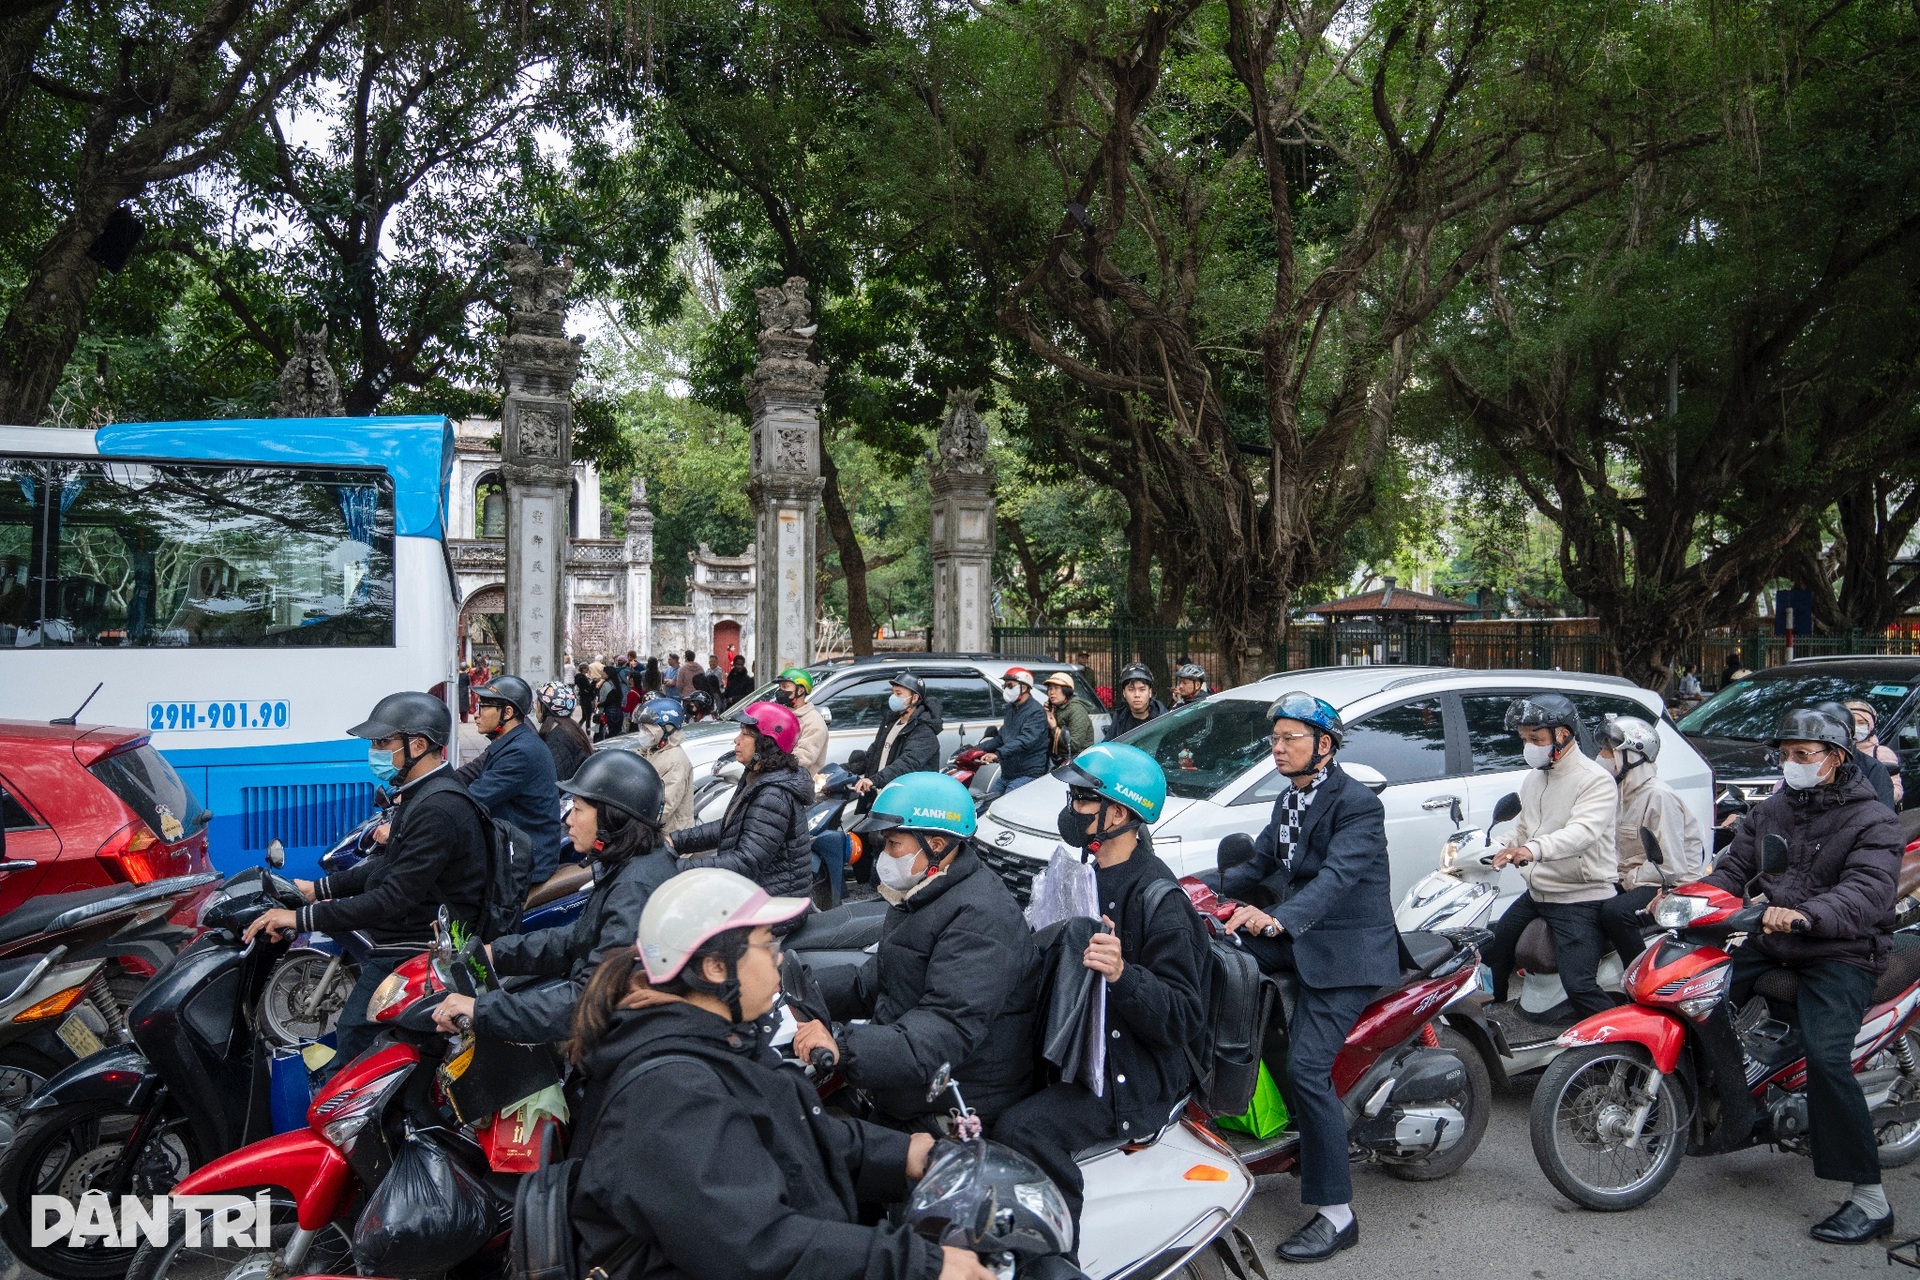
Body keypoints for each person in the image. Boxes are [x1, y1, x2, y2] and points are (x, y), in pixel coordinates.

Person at [567, 869, 994, 1280]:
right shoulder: (672, 1092)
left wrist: (905, 1154)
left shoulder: (726, 1041)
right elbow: (755, 1247)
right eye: (767, 946)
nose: (778, 963)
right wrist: (918, 1264)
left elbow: (794, 1132)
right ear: (716, 968)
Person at [993, 743, 1207, 1272]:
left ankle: (1057, 1262)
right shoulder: (1081, 870)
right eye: (1071, 795)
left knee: (1023, 1130)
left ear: (1121, 812)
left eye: (1083, 799)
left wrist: (1123, 974)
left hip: (1133, 1075)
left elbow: (1183, 1016)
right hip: (1082, 1052)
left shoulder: (1160, 900)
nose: (1072, 808)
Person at [1698, 706, 1903, 1244]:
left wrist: (1809, 914)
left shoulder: (1873, 819)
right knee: (1696, 990)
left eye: (1802, 755)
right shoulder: (1773, 809)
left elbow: (1866, 891)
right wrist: (1691, 898)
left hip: (1842, 949)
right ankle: (1721, 1103)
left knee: (1826, 1057)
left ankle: (1870, 1197)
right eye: (1785, 755)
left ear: (1836, 757)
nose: (1791, 764)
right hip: (1776, 938)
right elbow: (1734, 868)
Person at [1210, 692, 1402, 1264]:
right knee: (1213, 962)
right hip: (1300, 941)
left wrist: (1278, 917)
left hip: (1346, 953)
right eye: (1275, 739)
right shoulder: (1291, 799)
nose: (1278, 747)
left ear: (1325, 745)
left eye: (1290, 737)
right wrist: (1190, 888)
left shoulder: (1358, 806)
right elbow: (1262, 864)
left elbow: (1336, 879)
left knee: (1309, 1069)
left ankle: (1338, 1214)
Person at [243, 691, 487, 1072]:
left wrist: (300, 919)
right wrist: (317, 890)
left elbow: (391, 897)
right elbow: (387, 867)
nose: (373, 751)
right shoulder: (420, 796)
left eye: (381, 743)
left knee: (356, 1036)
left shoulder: (439, 808)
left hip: (421, 948)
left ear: (418, 745)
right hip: (408, 936)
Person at [794, 773, 1041, 1129]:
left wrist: (842, 1047)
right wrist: (801, 991)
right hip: (906, 1085)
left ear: (937, 844)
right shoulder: (925, 892)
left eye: (894, 844)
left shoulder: (980, 919)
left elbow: (945, 1028)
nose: (884, 856)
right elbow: (875, 981)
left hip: (951, 1102)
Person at [435, 751, 677, 1043]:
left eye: (577, 809)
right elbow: (579, 937)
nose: (568, 820)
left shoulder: (634, 888)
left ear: (612, 818)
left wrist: (481, 1010)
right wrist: (497, 953)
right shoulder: (630, 865)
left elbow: (591, 998)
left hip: (618, 1049)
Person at [1478, 693, 1620, 1022]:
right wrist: (1489, 848)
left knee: (1579, 985)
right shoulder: (1534, 779)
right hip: (1539, 893)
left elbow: (1582, 833)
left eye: (1535, 738)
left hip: (1580, 898)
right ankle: (1492, 1026)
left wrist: (1532, 850)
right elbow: (1524, 829)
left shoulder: (1594, 780)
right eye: (1524, 739)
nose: (1529, 746)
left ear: (1562, 734)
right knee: (1490, 955)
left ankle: (1629, 1043)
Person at [668, 702, 813, 900]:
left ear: (766, 743)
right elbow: (731, 827)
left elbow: (747, 861)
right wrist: (675, 841)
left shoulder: (773, 794)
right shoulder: (757, 776)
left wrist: (676, 868)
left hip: (772, 907)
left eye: (746, 734)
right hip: (753, 895)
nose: (737, 740)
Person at [1592, 715, 1705, 965]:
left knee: (1616, 913)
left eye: (1608, 751)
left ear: (1632, 756)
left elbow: (1670, 867)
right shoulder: (1618, 793)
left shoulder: (1658, 797)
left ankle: (1639, 974)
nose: (1601, 756)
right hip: (1635, 878)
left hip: (1669, 884)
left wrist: (1624, 879)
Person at [462, 673, 568, 883]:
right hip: (513, 850)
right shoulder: (512, 743)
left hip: (525, 863)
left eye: (483, 706)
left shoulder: (521, 752)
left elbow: (473, 798)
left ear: (508, 712)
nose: (476, 714)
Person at [976, 667, 1049, 796]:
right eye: (1005, 686)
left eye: (1010, 686)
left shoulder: (1036, 712)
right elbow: (1001, 738)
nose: (1006, 689)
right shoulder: (1011, 709)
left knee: (1004, 808)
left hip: (1027, 774)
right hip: (1008, 774)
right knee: (987, 804)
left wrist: (998, 754)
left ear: (1024, 688)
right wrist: (977, 749)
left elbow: (1025, 740)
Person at [633, 696, 695, 835]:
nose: (643, 732)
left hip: (670, 838)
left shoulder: (675, 762)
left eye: (647, 729)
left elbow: (663, 808)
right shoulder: (654, 751)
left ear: (666, 729)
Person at [1847, 700, 1905, 809]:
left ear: (1870, 725)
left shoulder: (1881, 753)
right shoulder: (1836, 751)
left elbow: (1895, 790)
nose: (1856, 727)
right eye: (1852, 722)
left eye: (1861, 722)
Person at [775, 667, 831, 776]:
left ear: (800, 690)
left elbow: (802, 759)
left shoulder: (814, 723)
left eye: (785, 686)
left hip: (797, 784)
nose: (781, 691)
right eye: (780, 687)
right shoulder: (780, 715)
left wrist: (773, 763)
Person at [535, 680, 592, 783]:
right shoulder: (570, 727)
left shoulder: (557, 738)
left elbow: (557, 781)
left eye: (537, 702)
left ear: (544, 707)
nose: (535, 707)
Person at [1041, 671, 1096, 760]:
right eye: (1050, 688)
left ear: (1066, 691)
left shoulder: (1076, 709)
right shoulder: (1054, 708)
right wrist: (1045, 716)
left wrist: (1054, 727)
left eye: (1056, 688)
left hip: (1077, 761)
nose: (1052, 692)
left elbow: (1073, 745)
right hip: (1058, 758)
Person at [1110, 662, 1166, 734]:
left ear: (1150, 692)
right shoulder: (1119, 719)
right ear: (1124, 693)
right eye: (1131, 689)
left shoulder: (1164, 719)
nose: (1137, 695)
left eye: (1142, 690)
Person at [592, 661, 623, 740]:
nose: (601, 673)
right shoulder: (615, 684)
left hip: (609, 712)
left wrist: (599, 705)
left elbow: (604, 699)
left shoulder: (606, 685)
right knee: (614, 735)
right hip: (617, 711)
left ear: (608, 674)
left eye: (603, 672)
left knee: (604, 735)